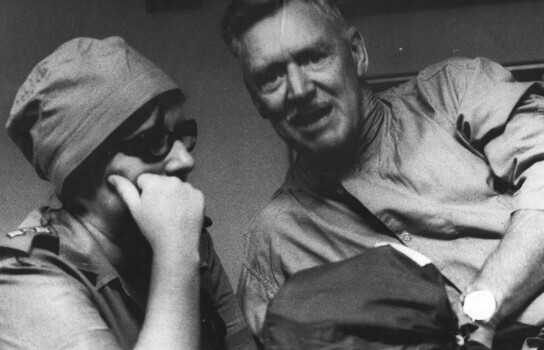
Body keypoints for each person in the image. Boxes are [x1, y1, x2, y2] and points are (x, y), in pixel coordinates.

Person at [221, 0, 544, 348]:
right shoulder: (274, 247)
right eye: (270, 77)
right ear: (256, 100)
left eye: (313, 57)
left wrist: (480, 313)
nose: (298, 90)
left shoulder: (456, 93)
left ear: (357, 53)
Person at [1, 36, 255, 350]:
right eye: (152, 140)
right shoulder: (23, 275)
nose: (185, 159)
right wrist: (175, 256)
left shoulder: (183, 231)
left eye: (181, 134)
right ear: (81, 170)